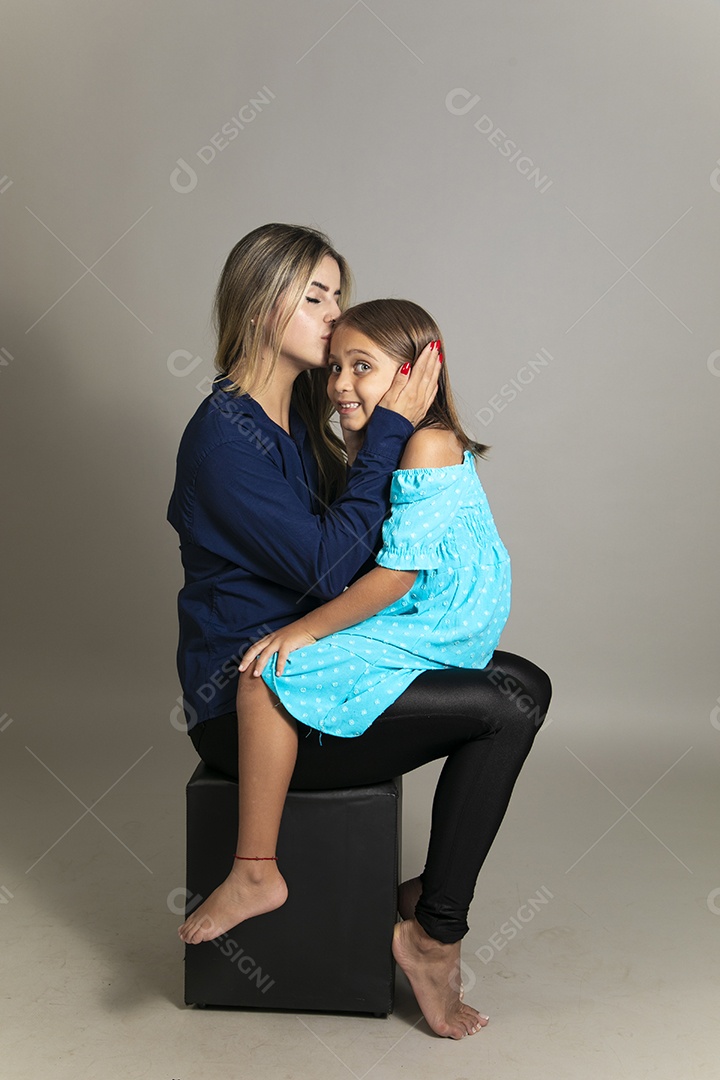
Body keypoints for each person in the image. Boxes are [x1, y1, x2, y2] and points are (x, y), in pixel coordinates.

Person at [169, 224, 551, 1040]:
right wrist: (386, 436)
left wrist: (420, 455)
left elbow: (376, 547)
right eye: (315, 297)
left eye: (337, 295)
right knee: (509, 705)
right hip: (255, 699)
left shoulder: (303, 420)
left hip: (329, 664)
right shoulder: (222, 436)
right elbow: (328, 572)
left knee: (526, 684)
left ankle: (426, 907)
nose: (332, 314)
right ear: (261, 302)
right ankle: (433, 936)